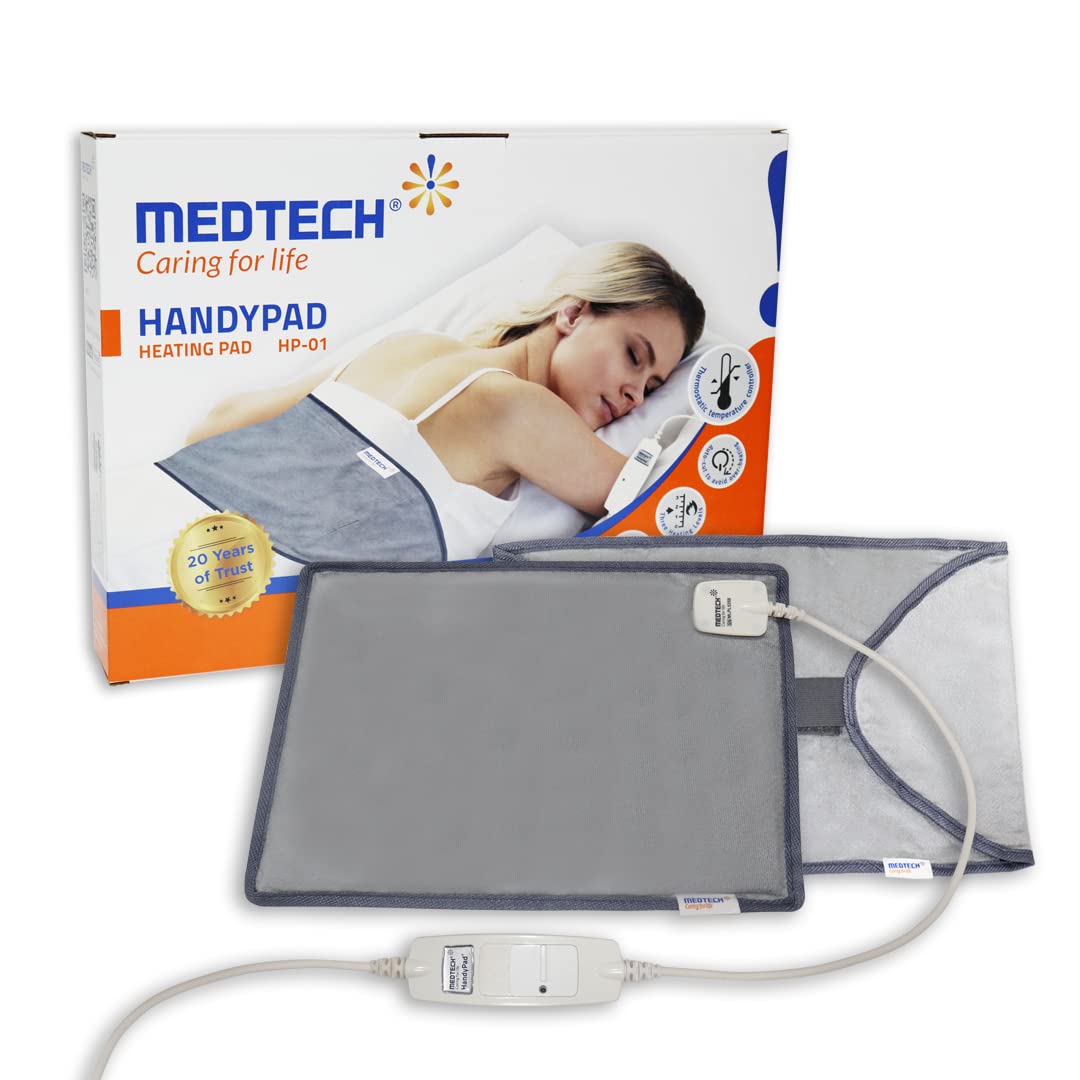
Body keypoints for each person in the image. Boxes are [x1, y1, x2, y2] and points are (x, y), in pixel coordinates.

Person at [187, 241, 705, 520]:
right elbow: (675, 514)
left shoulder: (409, 347)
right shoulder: (520, 408)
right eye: (634, 356)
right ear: (572, 313)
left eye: (653, 388)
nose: (636, 395)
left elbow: (216, 426)